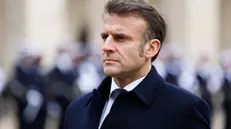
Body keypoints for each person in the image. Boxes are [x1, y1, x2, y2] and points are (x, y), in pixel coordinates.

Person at [64, 0, 211, 129]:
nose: (106, 47)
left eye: (120, 38)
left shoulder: (185, 110)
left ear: (151, 48)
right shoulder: (77, 109)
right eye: (105, 37)